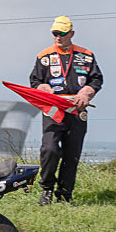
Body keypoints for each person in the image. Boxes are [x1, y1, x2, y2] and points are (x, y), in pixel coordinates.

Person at [29, 16, 103, 205]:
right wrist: (42, 89)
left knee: (72, 154)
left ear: (71, 33)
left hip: (77, 111)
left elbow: (96, 79)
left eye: (62, 33)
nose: (58, 37)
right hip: (54, 110)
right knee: (50, 149)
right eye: (55, 33)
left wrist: (86, 93)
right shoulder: (44, 56)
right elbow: (35, 81)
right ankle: (46, 189)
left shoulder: (86, 55)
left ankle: (64, 195)